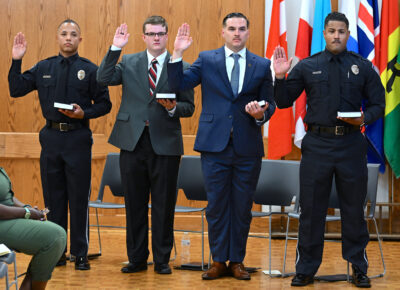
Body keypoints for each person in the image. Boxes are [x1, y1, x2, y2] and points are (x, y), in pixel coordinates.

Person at [273, 12, 385, 288]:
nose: (336, 35)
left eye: (342, 31)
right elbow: (285, 101)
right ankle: (306, 269)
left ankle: (358, 268)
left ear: (348, 34)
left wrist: (364, 119)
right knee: (311, 209)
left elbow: (378, 104)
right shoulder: (308, 66)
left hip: (350, 144)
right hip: (317, 146)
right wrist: (279, 77)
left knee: (353, 209)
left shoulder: (362, 66)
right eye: (332, 31)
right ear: (324, 33)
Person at [168, 12, 275, 280]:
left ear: (248, 33)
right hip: (214, 146)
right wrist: (177, 54)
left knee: (242, 206)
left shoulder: (261, 65)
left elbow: (269, 104)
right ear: (223, 32)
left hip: (247, 146)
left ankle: (237, 260)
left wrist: (259, 114)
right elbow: (179, 83)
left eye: (241, 29)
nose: (236, 33)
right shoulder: (207, 59)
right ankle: (217, 260)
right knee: (216, 205)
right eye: (231, 28)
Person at [8, 19, 112, 271]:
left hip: (77, 138)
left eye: (73, 34)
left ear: (80, 39)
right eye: (64, 34)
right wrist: (16, 60)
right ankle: (58, 251)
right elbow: (16, 89)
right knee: (53, 199)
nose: (68, 38)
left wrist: (83, 113)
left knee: (78, 199)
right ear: (57, 38)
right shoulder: (45, 67)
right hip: (51, 139)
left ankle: (80, 253)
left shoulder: (90, 70)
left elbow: (104, 104)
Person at [96, 16, 194, 275]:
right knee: (135, 204)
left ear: (167, 35)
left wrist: (174, 109)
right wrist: (116, 48)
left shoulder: (180, 65)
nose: (157, 38)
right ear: (143, 37)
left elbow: (189, 107)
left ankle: (162, 260)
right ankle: (137, 259)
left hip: (166, 144)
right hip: (132, 141)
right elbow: (103, 78)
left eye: (161, 33)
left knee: (164, 205)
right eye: (151, 33)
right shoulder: (128, 61)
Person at [0, 166, 67, 290]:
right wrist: (26, 212)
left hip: (7, 218)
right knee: (55, 237)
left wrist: (27, 208)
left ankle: (30, 282)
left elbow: (8, 197)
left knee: (56, 235)